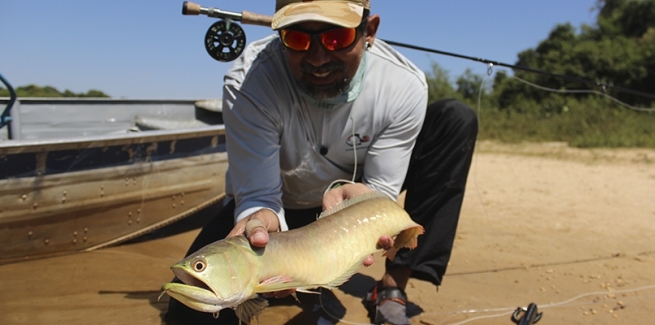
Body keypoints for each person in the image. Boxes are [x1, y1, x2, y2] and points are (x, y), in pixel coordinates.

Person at [166, 0, 478, 324]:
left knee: (454, 120)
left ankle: (391, 287)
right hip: (278, 212)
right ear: (280, 36)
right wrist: (259, 219)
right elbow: (258, 196)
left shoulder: (403, 85)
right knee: (187, 313)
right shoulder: (248, 82)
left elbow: (381, 192)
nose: (318, 58)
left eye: (337, 38)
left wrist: (361, 203)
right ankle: (301, 279)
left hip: (348, 212)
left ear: (368, 31)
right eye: (298, 39)